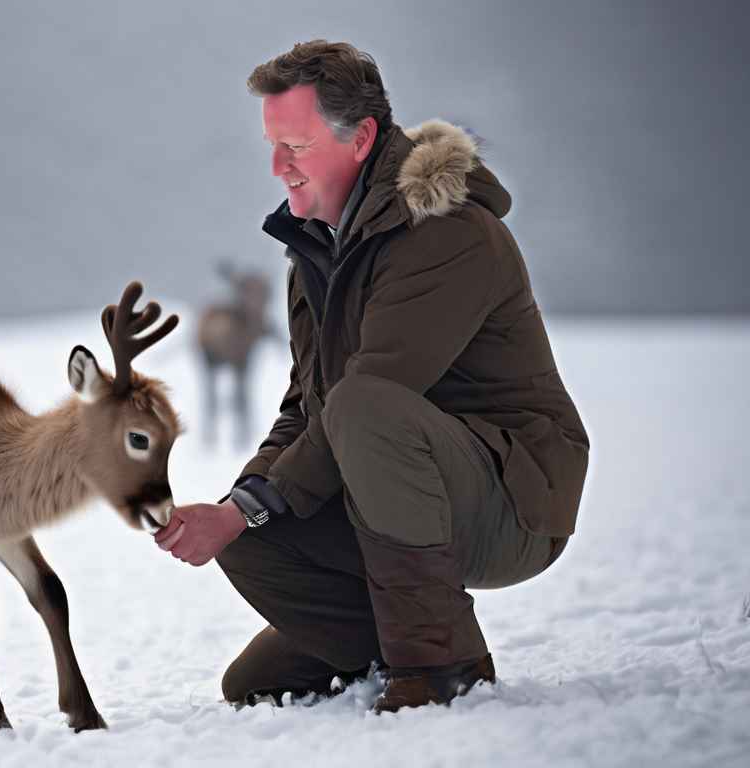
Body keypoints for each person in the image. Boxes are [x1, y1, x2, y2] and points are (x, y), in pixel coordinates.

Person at [154, 40, 589, 713]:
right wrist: (237, 508)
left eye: (293, 145)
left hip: (514, 499)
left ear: (359, 138)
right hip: (394, 480)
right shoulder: (316, 252)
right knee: (251, 550)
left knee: (360, 407)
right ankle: (413, 645)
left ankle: (439, 665)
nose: (276, 168)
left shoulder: (446, 233)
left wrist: (257, 501)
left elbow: (370, 398)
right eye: (272, 146)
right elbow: (307, 408)